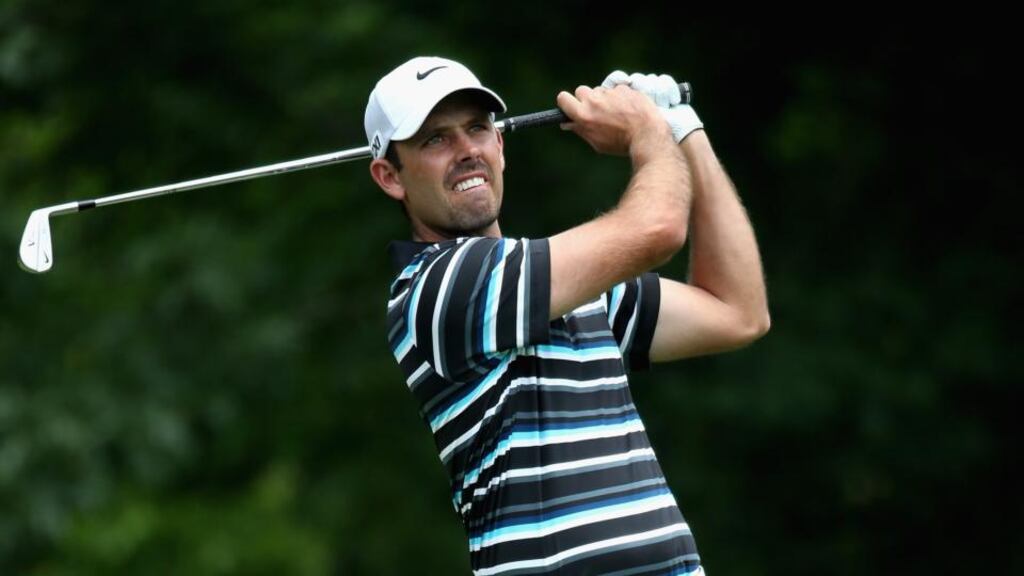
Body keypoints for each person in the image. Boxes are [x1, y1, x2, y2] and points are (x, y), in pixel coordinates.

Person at [366, 56, 769, 576]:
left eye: (477, 128)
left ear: (500, 144)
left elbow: (738, 311)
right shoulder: (435, 288)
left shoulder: (563, 285)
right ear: (390, 177)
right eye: (435, 140)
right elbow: (660, 230)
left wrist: (685, 131)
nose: (467, 151)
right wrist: (648, 131)